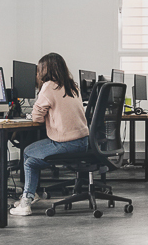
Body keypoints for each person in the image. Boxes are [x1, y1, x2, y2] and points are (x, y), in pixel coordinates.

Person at [11, 53, 89, 217]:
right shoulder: (72, 86)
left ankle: (27, 201)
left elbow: (37, 117)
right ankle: (30, 195)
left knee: (27, 153)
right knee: (31, 160)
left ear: (44, 70)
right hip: (83, 142)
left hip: (65, 143)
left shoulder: (49, 86)